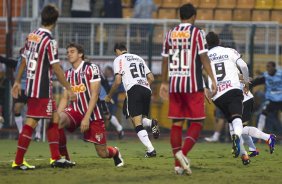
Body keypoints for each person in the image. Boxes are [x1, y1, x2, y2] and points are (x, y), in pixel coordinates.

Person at [11, 4, 76, 170]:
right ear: (55, 21)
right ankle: (18, 161)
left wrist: (18, 81)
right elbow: (56, 68)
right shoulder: (49, 41)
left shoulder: (31, 36)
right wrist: (69, 88)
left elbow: (24, 60)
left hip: (32, 84)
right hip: (41, 88)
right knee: (32, 122)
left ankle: (56, 158)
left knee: (54, 118)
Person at [159, 4, 217, 175]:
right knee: (197, 122)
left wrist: (163, 82)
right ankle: (182, 155)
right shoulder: (197, 33)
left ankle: (177, 166)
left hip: (175, 84)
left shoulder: (169, 33)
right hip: (193, 85)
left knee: (177, 123)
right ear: (193, 16)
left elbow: (164, 59)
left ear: (179, 16)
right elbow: (204, 57)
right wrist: (213, 79)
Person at [57, 43, 124, 167]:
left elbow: (94, 95)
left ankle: (115, 152)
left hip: (92, 114)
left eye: (72, 51)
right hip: (75, 111)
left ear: (80, 54)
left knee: (102, 153)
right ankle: (65, 159)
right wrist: (57, 115)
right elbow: (65, 97)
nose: (69, 54)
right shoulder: (67, 74)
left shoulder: (91, 68)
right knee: (57, 122)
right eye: (67, 52)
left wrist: (86, 117)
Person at [105, 42, 160, 157]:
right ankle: (151, 123)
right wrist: (143, 86)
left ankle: (150, 150)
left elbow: (118, 81)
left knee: (137, 123)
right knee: (137, 118)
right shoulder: (138, 58)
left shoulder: (119, 59)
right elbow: (151, 78)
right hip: (146, 89)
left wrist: (109, 96)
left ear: (117, 51)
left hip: (133, 90)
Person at [250, 61, 282, 135]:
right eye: (267, 67)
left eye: (269, 66)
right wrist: (248, 85)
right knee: (263, 113)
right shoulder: (266, 75)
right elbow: (256, 82)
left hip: (281, 98)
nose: (268, 68)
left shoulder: (280, 74)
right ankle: (259, 132)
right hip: (271, 99)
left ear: (274, 67)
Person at [99, 71, 124, 139]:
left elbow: (105, 84)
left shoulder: (97, 72)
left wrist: (109, 96)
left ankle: (119, 127)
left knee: (107, 115)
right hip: (91, 98)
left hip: (101, 98)